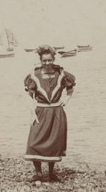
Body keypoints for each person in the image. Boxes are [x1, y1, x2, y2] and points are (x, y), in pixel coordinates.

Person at [24, 45, 76, 182]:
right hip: (40, 111)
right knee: (34, 141)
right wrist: (32, 112)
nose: (47, 63)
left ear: (53, 59)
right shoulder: (34, 75)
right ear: (40, 61)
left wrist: (66, 99)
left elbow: (70, 89)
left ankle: (51, 173)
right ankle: (38, 173)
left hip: (56, 112)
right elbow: (30, 95)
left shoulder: (61, 73)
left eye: (49, 60)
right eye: (44, 61)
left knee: (54, 142)